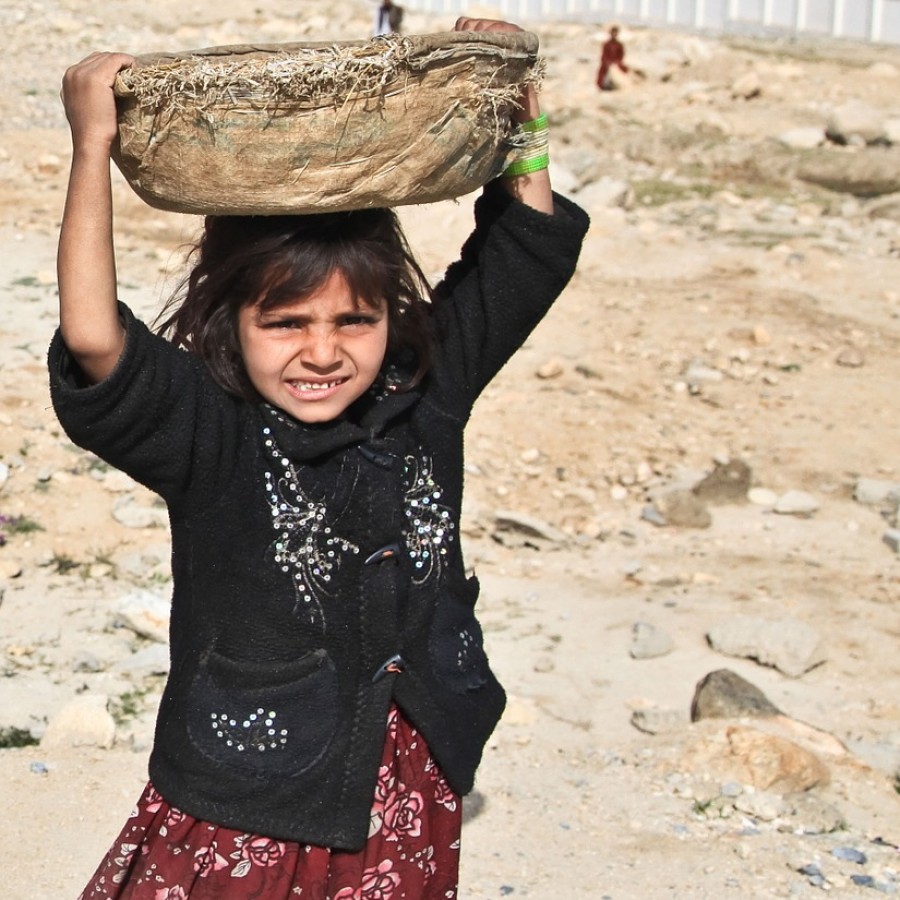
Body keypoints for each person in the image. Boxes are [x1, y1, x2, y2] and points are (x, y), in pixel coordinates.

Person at [52, 15, 588, 900]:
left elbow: (523, 257)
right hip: (247, 792)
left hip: (411, 770)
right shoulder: (212, 436)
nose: (323, 352)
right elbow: (93, 335)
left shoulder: (424, 394)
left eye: (354, 321)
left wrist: (516, 115)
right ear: (235, 325)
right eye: (287, 323)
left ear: (394, 322)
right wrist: (91, 144)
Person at [597, 24, 628, 90]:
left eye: (615, 32)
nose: (614, 34)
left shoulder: (619, 45)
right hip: (607, 64)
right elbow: (603, 55)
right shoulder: (606, 44)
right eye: (613, 32)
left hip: (616, 63)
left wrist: (617, 62)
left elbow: (621, 56)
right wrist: (607, 62)